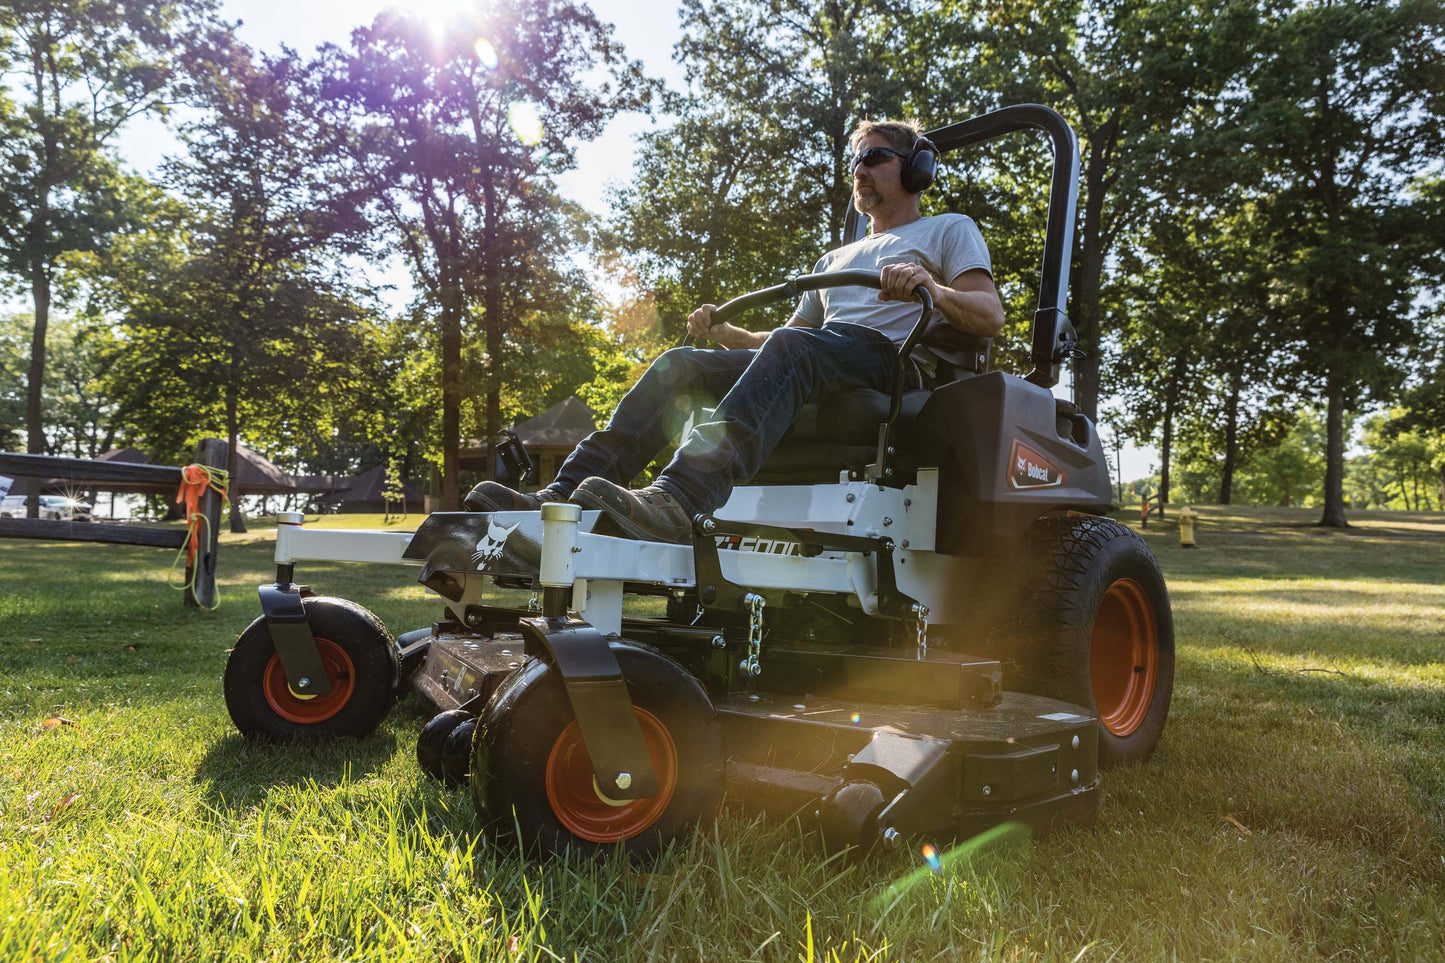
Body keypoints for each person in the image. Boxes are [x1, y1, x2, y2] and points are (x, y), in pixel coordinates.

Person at [465, 119, 1006, 542]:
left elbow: (989, 314)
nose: (859, 169)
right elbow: (781, 343)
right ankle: (560, 497)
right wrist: (726, 333)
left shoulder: (947, 230)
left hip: (890, 361)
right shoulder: (835, 256)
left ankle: (681, 497)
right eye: (855, 161)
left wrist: (930, 289)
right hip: (823, 358)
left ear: (915, 170)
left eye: (875, 157)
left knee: (795, 348)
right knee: (681, 365)